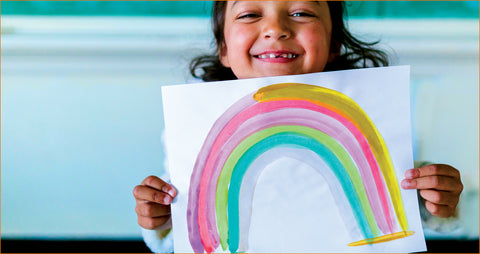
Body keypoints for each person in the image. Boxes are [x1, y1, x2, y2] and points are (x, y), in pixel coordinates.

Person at [133, 1, 464, 252]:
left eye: (302, 12)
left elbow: (406, 219)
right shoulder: (193, 131)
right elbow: (187, 237)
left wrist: (433, 201)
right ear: (223, 48)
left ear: (334, 43)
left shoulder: (378, 122)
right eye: (249, 15)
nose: (275, 29)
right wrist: (161, 220)